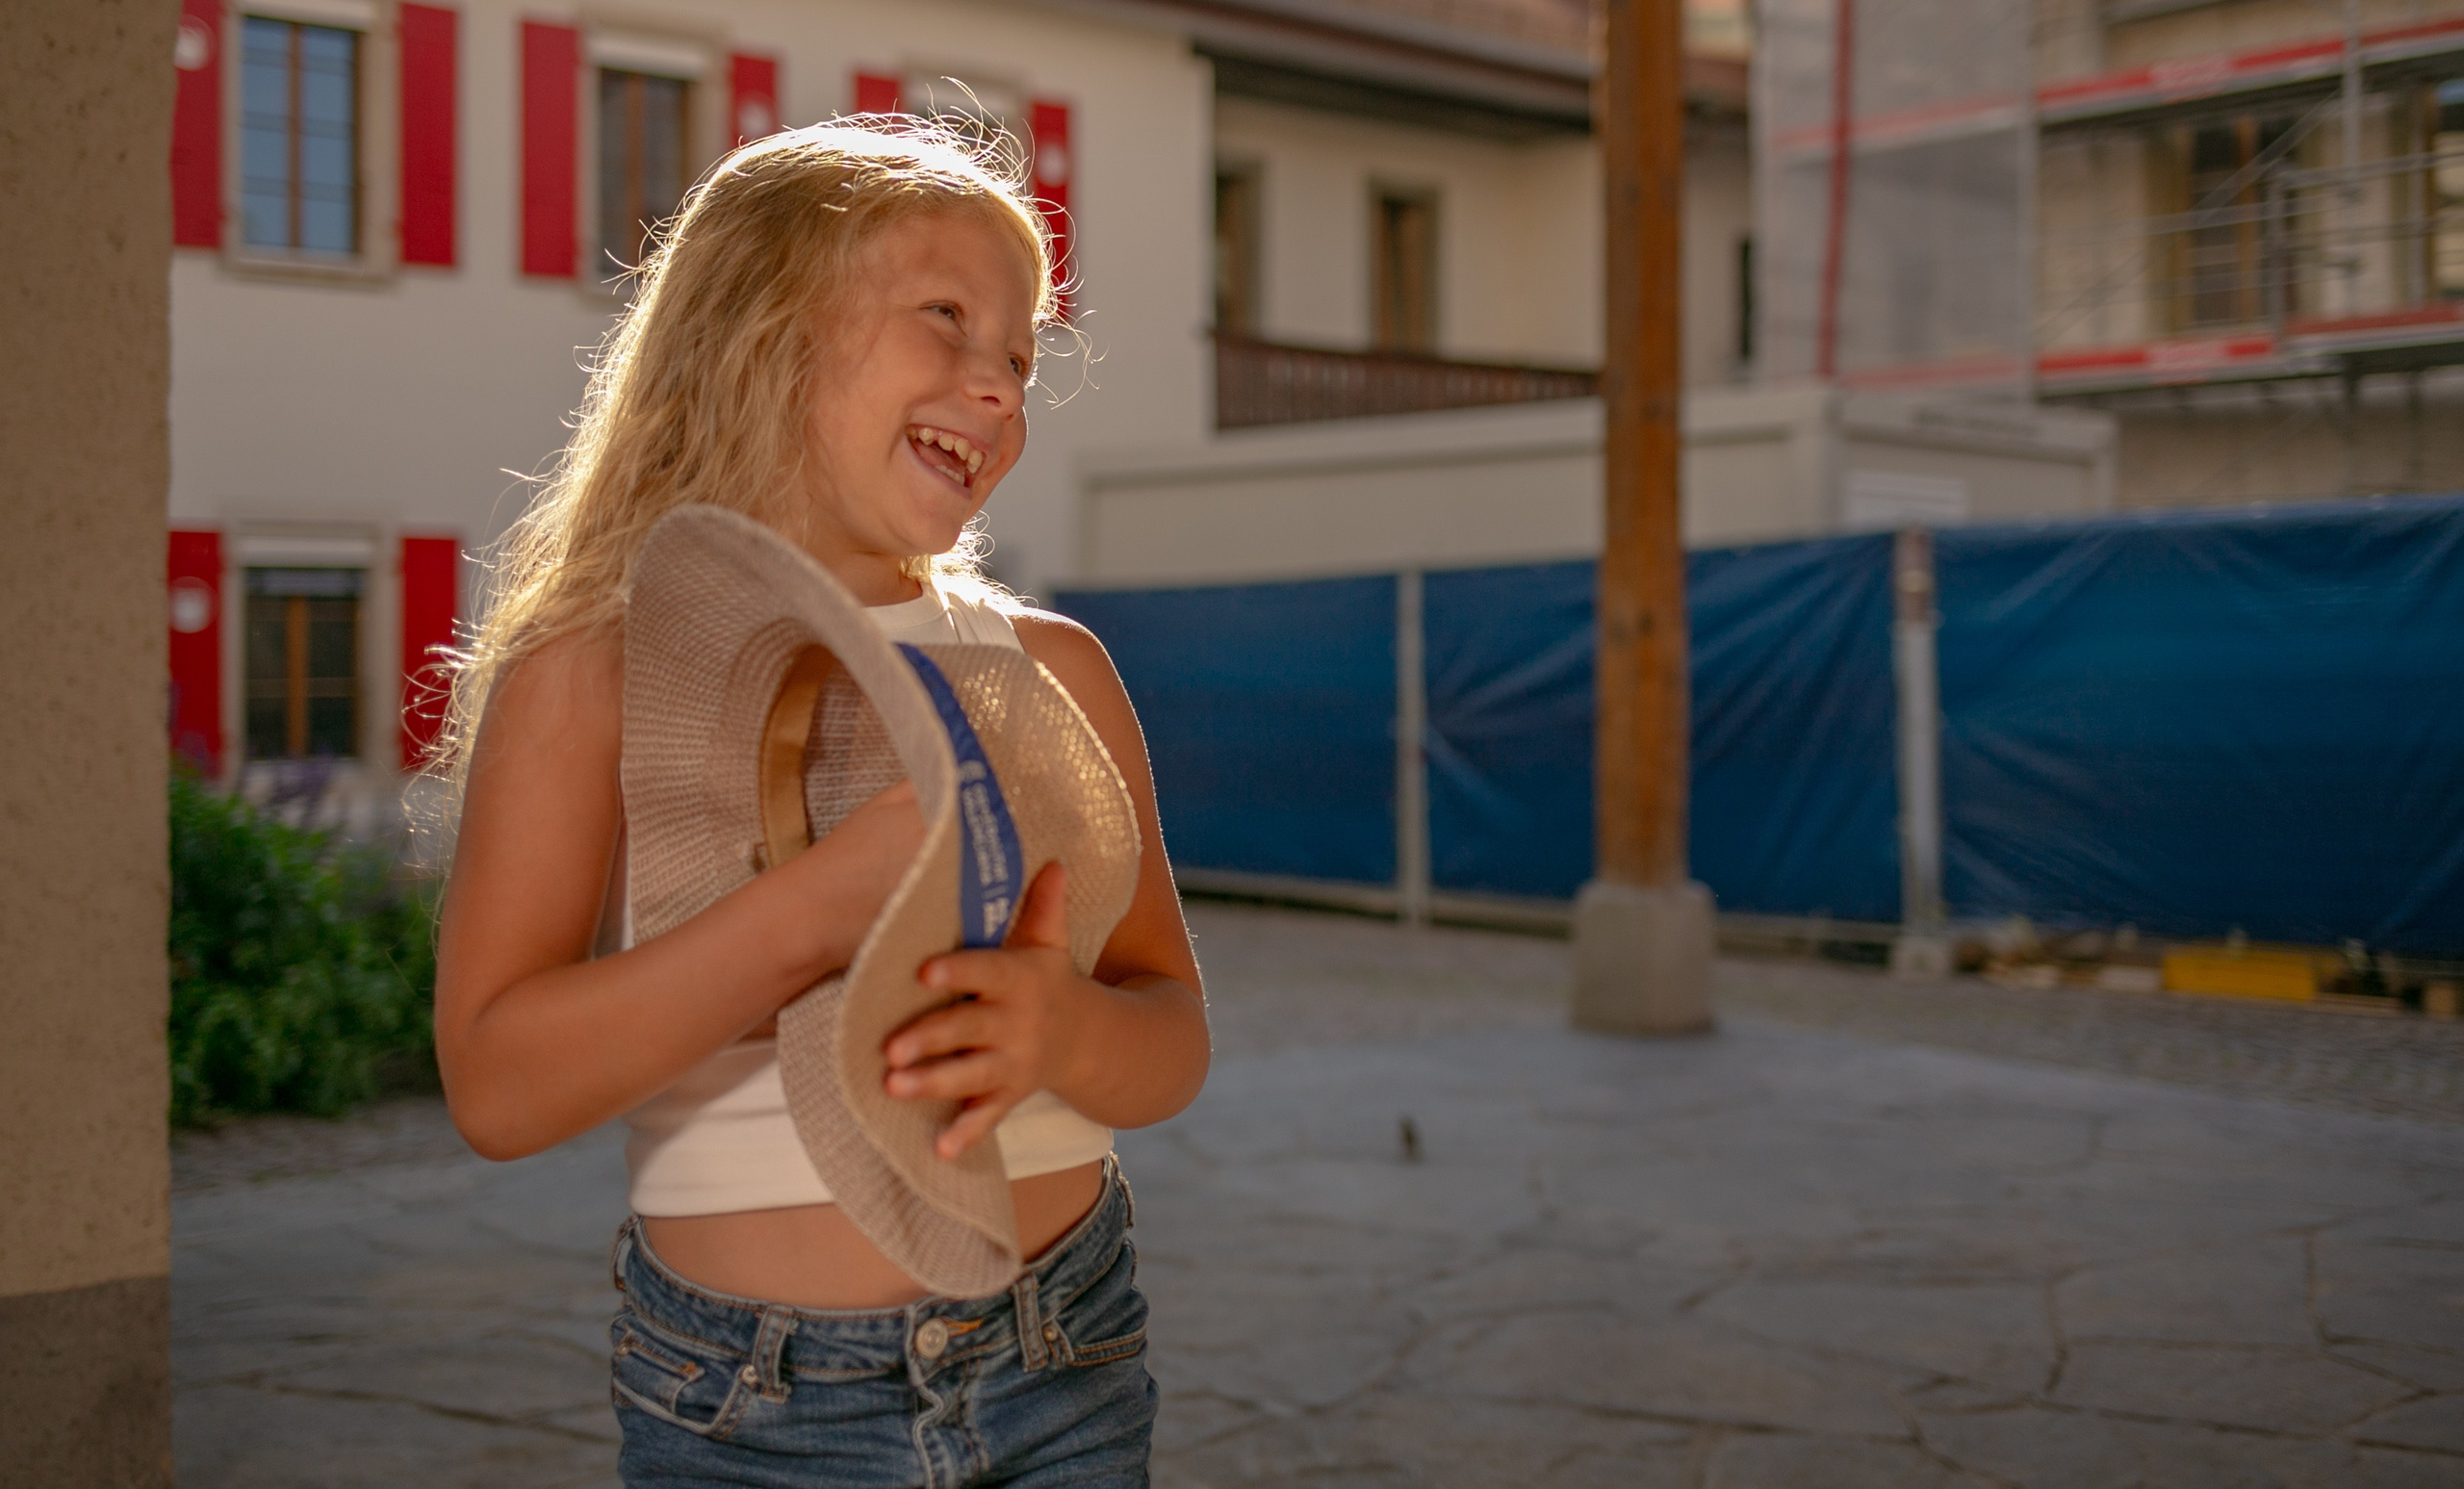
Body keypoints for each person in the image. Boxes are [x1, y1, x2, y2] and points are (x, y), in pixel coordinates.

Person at [428, 119, 1210, 1487]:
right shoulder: (593, 670)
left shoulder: (1052, 671)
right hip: (751, 1406)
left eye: (1021, 356)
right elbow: (496, 1084)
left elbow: (1172, 1033)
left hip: (1063, 1360)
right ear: (760, 329)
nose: (1000, 386)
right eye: (948, 320)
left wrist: (1062, 1026)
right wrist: (826, 906)